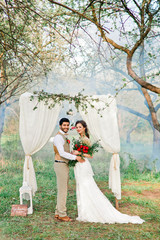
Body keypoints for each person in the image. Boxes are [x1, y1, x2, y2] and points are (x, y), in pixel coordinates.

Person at [73, 120, 145, 224]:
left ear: (84, 128)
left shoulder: (86, 140)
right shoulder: (79, 139)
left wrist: (78, 153)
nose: (78, 129)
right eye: (76, 127)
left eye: (80, 127)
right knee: (81, 187)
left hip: (84, 165)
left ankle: (91, 211)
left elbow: (90, 155)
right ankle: (84, 211)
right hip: (78, 165)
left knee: (87, 186)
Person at [53, 118, 84, 222]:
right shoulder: (58, 137)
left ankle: (58, 212)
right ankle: (62, 214)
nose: (66, 127)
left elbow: (65, 151)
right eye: (64, 125)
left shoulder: (64, 136)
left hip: (63, 164)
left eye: (67, 125)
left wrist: (72, 153)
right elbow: (61, 153)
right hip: (60, 164)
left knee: (62, 188)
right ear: (60, 125)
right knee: (63, 190)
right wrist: (76, 158)